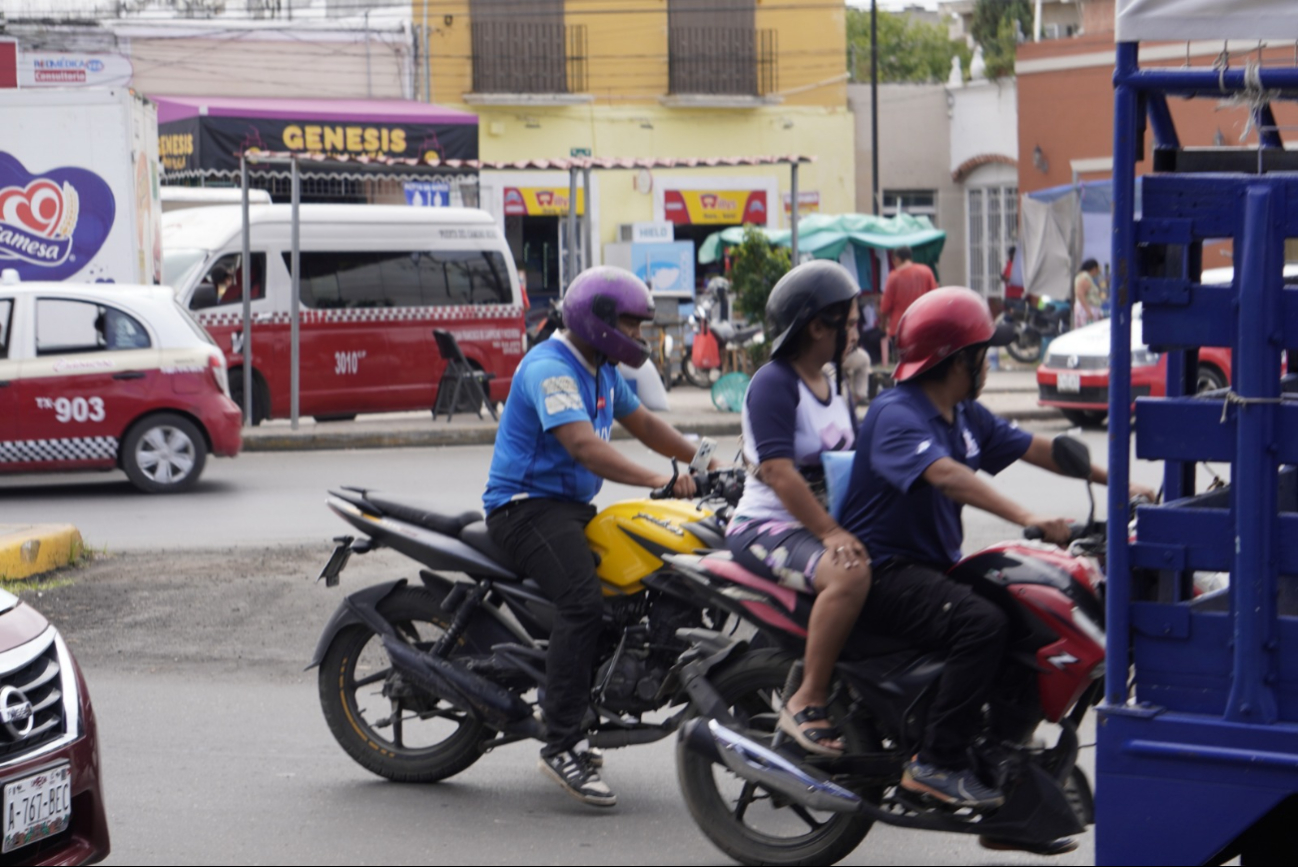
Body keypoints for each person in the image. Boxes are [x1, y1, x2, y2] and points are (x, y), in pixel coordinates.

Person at [838, 286, 1153, 849]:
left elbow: (1041, 448)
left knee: (1029, 606)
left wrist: (1123, 482)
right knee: (980, 623)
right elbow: (946, 476)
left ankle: (1000, 747)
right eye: (984, 352)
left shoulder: (963, 414)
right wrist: (1028, 514)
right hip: (882, 573)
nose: (990, 362)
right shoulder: (896, 413)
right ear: (959, 361)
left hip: (932, 569)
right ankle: (935, 762)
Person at [482, 266, 711, 808]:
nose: (638, 336)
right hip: (524, 509)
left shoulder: (601, 369)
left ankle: (589, 693)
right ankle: (560, 743)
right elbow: (585, 447)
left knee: (631, 588)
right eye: (631, 325)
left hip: (568, 509)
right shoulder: (551, 369)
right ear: (600, 321)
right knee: (583, 602)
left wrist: (710, 462)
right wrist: (662, 480)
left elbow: (649, 427)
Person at [727, 261, 873, 756]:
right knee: (848, 575)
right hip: (766, 527)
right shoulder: (774, 383)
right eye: (849, 322)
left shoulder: (834, 384)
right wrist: (832, 532)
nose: (857, 332)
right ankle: (806, 699)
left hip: (815, 525)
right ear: (817, 326)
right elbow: (778, 472)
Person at [879, 245, 938, 345]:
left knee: (902, 359)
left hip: (899, 328)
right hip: (923, 325)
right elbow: (936, 299)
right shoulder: (926, 271)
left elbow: (885, 307)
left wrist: (884, 326)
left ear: (897, 259)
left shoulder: (893, 277)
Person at [1073, 258, 1103, 329]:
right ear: (1093, 269)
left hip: (1087, 309)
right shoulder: (1084, 277)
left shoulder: (1085, 277)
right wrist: (1088, 311)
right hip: (1086, 310)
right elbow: (1080, 294)